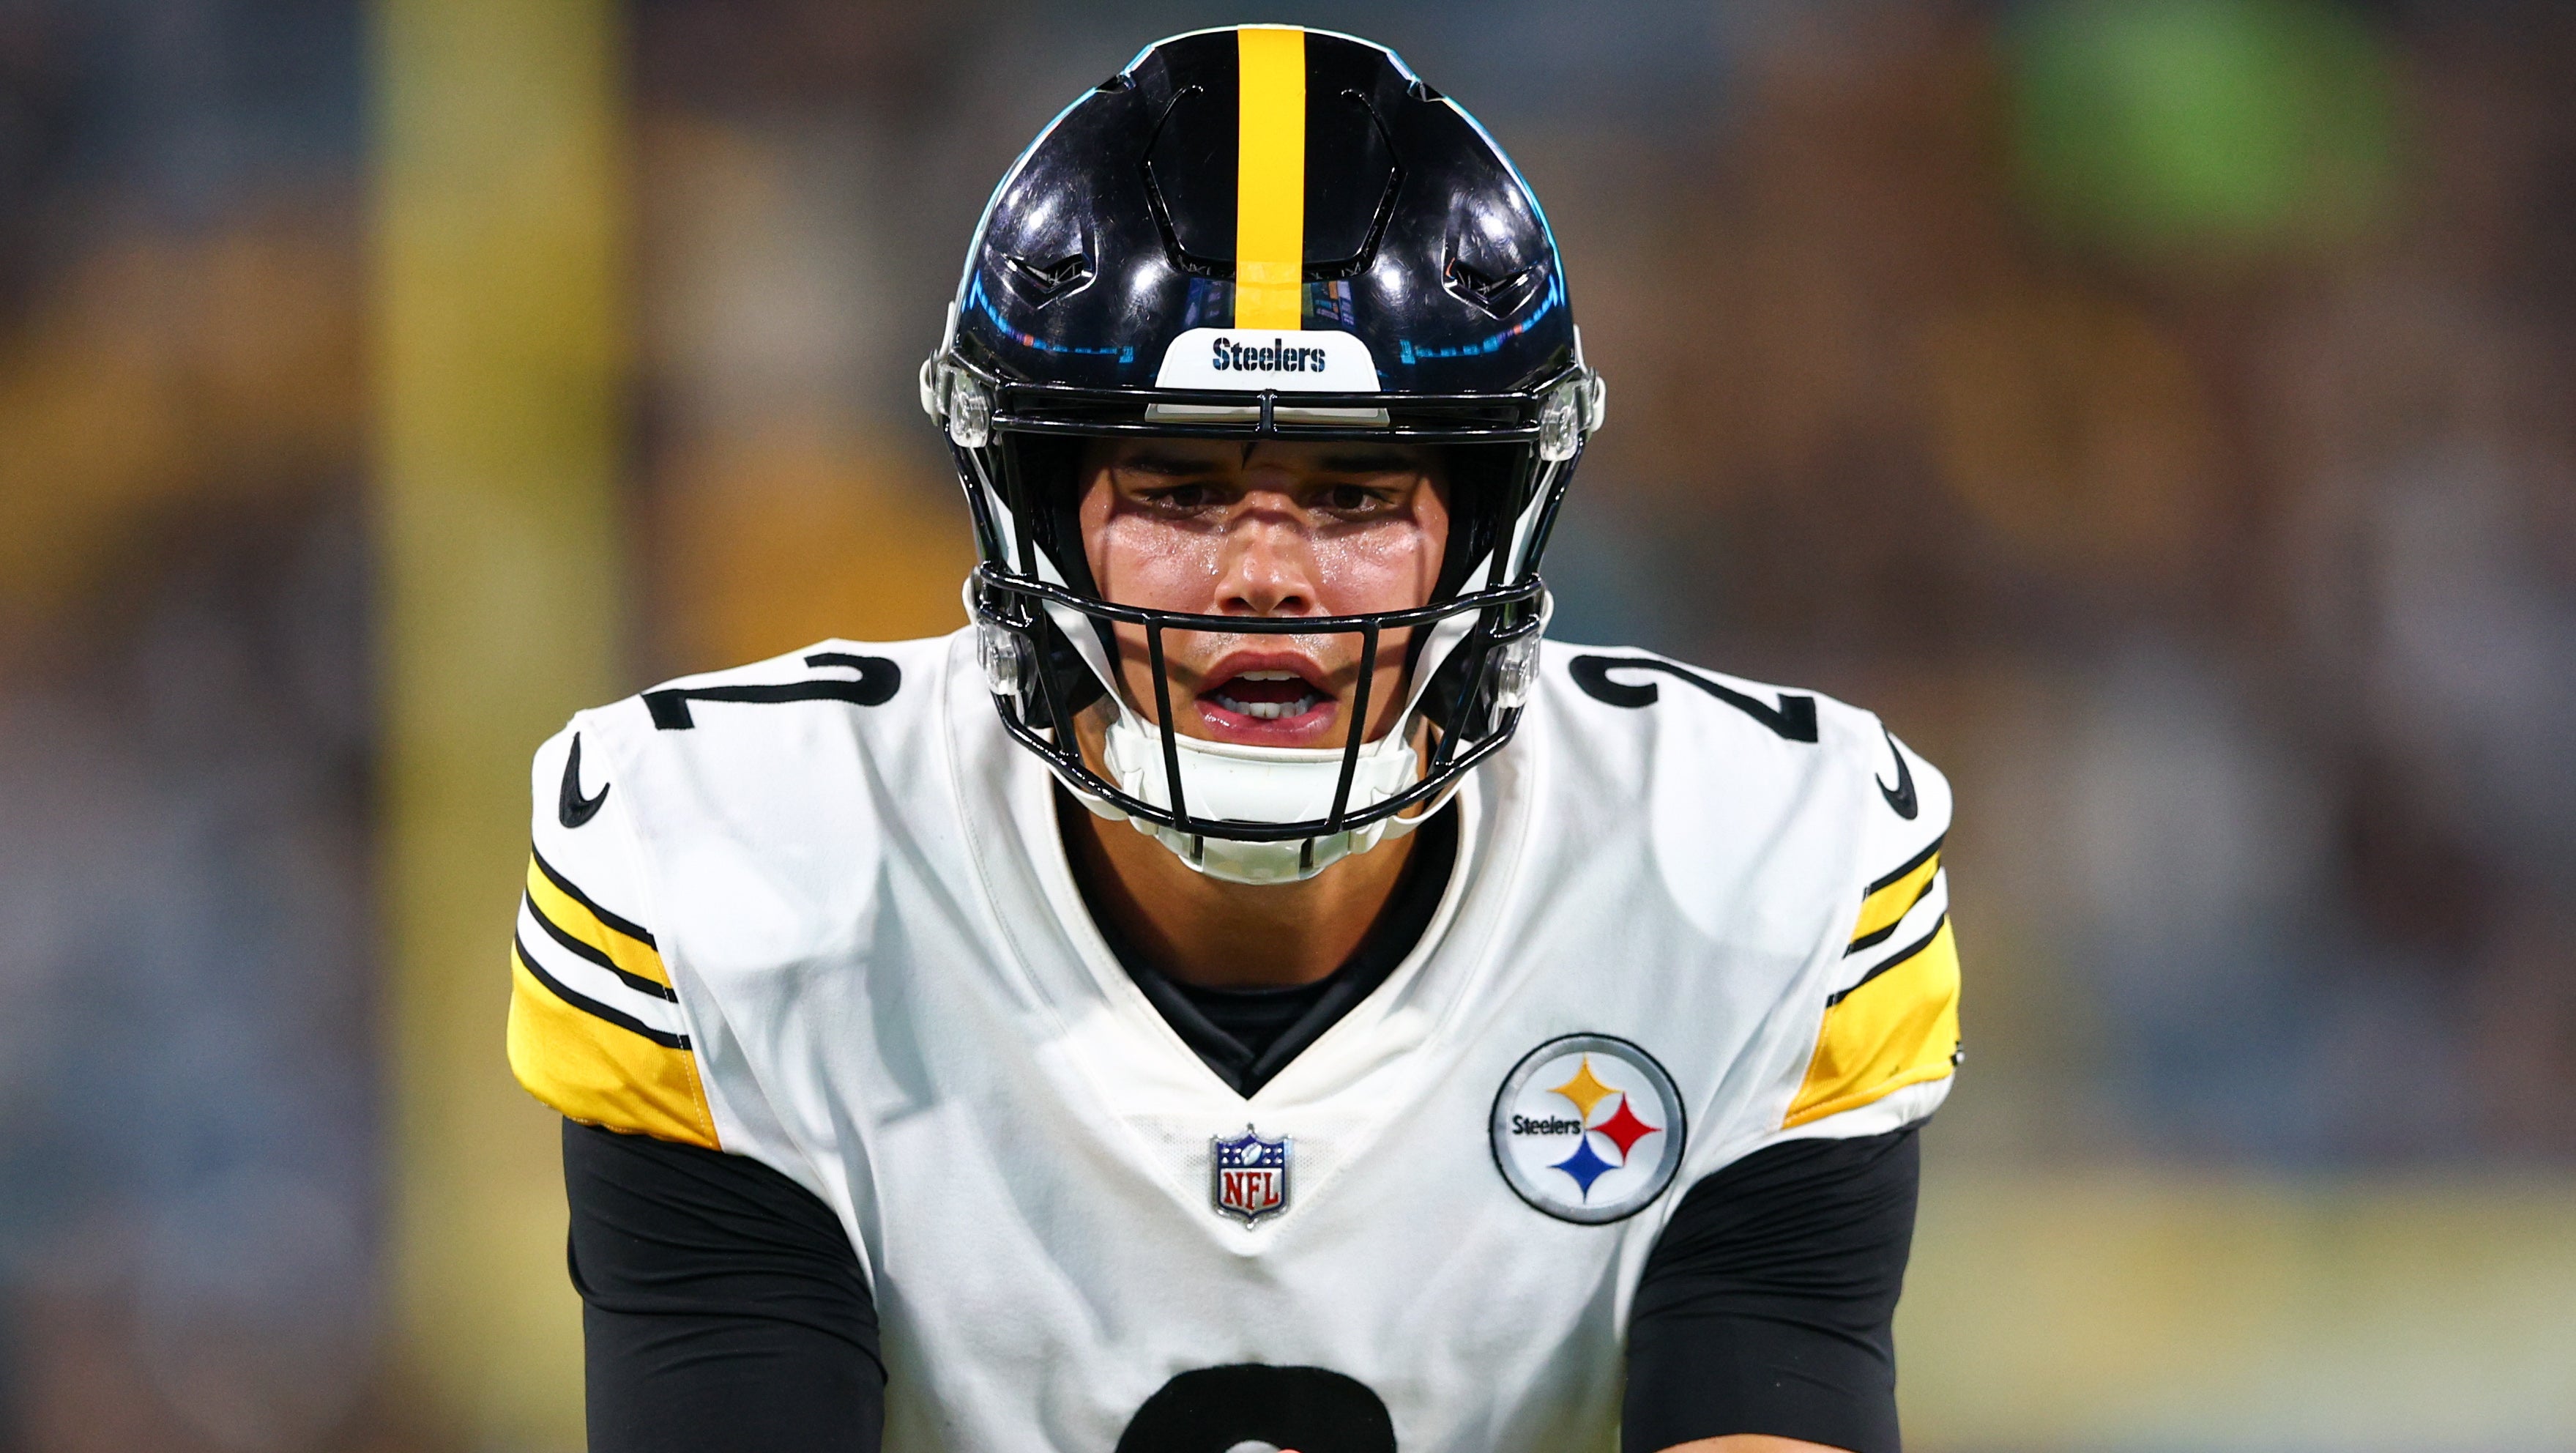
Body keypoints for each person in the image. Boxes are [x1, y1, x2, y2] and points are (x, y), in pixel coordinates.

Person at [506, 25, 1960, 1453]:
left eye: (1350, 495)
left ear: (1485, 529)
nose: (1266, 574)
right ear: (1036, 502)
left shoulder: (1747, 873)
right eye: (1182, 487)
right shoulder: (751, 867)